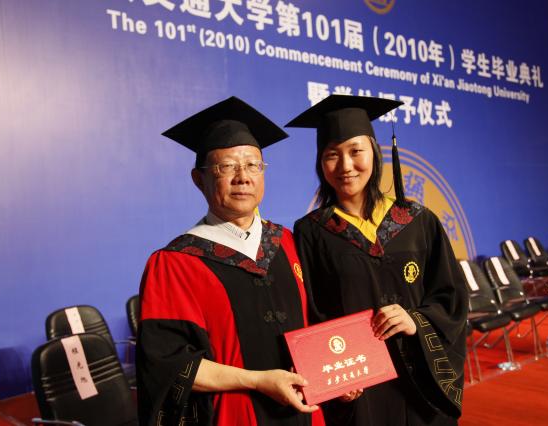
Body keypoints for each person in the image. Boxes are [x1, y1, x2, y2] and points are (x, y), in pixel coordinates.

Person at [136, 96, 325, 426]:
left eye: (253, 165)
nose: (243, 177)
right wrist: (256, 380)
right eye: (227, 167)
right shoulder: (176, 263)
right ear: (199, 179)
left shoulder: (287, 243)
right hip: (235, 416)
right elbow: (167, 366)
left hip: (307, 412)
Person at [287, 95, 468, 425]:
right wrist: (332, 377)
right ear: (320, 163)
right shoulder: (311, 232)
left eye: (356, 151)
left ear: (374, 152)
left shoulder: (417, 221)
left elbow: (451, 297)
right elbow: (310, 312)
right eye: (332, 155)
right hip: (360, 389)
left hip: (420, 382)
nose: (345, 166)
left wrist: (416, 321)